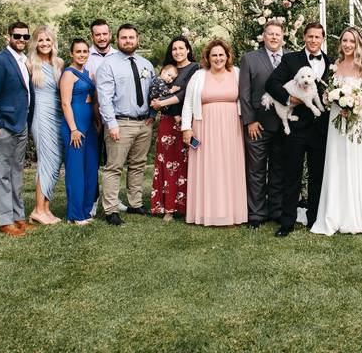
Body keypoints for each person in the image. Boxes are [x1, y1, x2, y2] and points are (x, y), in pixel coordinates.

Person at [311, 27, 362, 235]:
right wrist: (331, 99)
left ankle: (359, 215)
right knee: (338, 164)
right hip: (337, 123)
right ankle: (336, 213)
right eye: (344, 41)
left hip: (358, 122)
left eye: (351, 41)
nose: (348, 45)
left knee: (358, 163)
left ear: (358, 43)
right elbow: (327, 94)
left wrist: (355, 107)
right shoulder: (336, 66)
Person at [265, 22, 332, 237]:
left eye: (317, 37)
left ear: (323, 39)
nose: (313, 40)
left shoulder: (330, 63)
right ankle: (287, 222)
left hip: (320, 129)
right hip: (295, 128)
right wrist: (290, 98)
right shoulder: (291, 59)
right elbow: (272, 84)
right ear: (304, 37)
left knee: (317, 176)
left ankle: (315, 220)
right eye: (310, 36)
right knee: (291, 175)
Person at [181, 39, 248, 226]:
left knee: (230, 168)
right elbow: (187, 103)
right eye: (214, 55)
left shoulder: (236, 73)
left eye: (221, 55)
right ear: (207, 58)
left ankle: (232, 213)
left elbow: (246, 98)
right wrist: (186, 127)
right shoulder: (199, 76)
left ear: (227, 56)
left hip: (231, 127)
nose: (218, 58)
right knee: (208, 168)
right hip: (204, 126)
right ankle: (205, 213)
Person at [95, 23, 154, 226]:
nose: (128, 41)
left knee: (138, 165)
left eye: (131, 37)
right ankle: (110, 209)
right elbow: (104, 98)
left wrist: (152, 114)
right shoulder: (109, 65)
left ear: (138, 39)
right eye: (124, 38)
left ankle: (135, 203)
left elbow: (154, 92)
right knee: (114, 167)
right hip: (120, 122)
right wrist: (111, 124)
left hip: (144, 123)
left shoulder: (146, 64)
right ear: (117, 40)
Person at [0, 21, 36, 237]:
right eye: (17, 36)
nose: (21, 40)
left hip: (21, 124)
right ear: (8, 37)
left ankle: (19, 217)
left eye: (25, 36)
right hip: (4, 127)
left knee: (16, 172)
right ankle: (5, 221)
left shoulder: (23, 61)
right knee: (3, 173)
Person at [238, 21, 287, 229]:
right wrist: (250, 120)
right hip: (258, 124)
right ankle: (257, 214)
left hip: (284, 124)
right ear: (263, 36)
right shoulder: (250, 59)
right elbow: (244, 93)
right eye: (270, 34)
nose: (274, 37)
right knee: (256, 170)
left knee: (278, 169)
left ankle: (276, 210)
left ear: (283, 37)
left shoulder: (291, 58)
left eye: (277, 34)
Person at [150, 36, 199, 222]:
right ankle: (168, 207)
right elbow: (155, 89)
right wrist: (155, 104)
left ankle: (186, 206)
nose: (177, 52)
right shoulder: (167, 70)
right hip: (167, 120)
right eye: (174, 49)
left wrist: (161, 102)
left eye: (181, 48)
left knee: (186, 161)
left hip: (186, 120)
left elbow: (184, 93)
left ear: (188, 50)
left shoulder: (194, 68)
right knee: (167, 162)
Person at [84, 18, 124, 216]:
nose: (101, 38)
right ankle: (92, 200)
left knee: (113, 160)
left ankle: (113, 198)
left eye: (104, 34)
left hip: (112, 116)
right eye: (97, 34)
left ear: (110, 34)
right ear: (92, 36)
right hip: (91, 115)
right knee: (92, 159)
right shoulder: (86, 56)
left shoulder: (118, 56)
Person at [27, 25, 64, 225]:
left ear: (53, 42)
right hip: (41, 114)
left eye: (48, 40)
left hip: (58, 114)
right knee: (46, 160)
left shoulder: (58, 63)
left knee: (56, 160)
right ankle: (38, 209)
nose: (44, 44)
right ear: (35, 43)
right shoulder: (30, 64)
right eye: (40, 40)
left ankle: (44, 209)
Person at [60, 38, 99, 225]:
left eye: (85, 51)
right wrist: (74, 129)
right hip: (74, 127)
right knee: (75, 171)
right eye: (78, 51)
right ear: (71, 54)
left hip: (90, 126)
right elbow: (65, 103)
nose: (82, 54)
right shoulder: (68, 74)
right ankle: (75, 215)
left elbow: (91, 98)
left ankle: (85, 210)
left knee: (90, 169)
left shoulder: (88, 73)